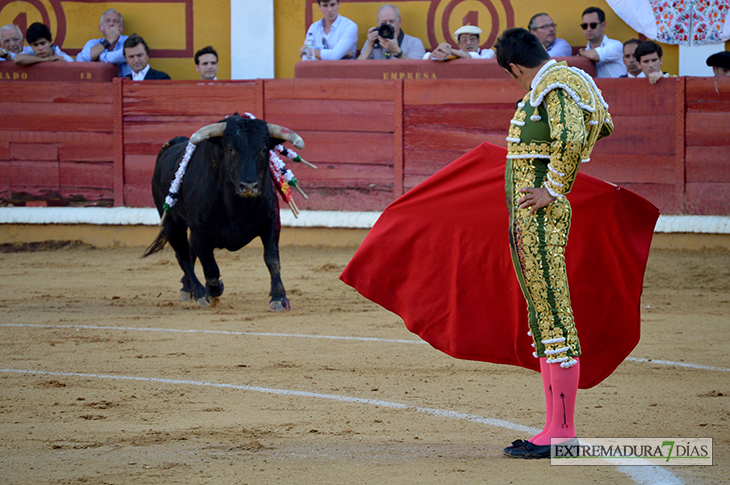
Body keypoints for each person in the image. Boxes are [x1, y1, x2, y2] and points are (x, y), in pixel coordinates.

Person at [495, 27, 612, 458]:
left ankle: (562, 432)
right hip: (531, 221)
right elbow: (596, 125)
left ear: (515, 67)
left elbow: (575, 135)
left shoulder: (556, 82)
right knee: (544, 315)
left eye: (513, 77)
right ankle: (553, 427)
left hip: (542, 216)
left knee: (553, 313)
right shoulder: (557, 82)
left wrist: (553, 187)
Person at [357, 4, 425, 60]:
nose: (388, 25)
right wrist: (370, 46)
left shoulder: (413, 43)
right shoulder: (373, 41)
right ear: (378, 24)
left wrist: (397, 52)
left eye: (391, 21)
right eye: (384, 23)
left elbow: (415, 70)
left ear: (400, 22)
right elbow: (356, 69)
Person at [76, 9, 130, 77]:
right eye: (107, 20)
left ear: (122, 28)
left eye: (116, 21)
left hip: (126, 84)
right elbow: (80, 59)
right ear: (100, 27)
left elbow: (119, 56)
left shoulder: (128, 40)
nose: (111, 24)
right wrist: (108, 41)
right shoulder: (93, 43)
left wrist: (98, 57)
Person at [577, 6, 626, 77]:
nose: (589, 29)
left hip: (619, 87)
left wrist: (582, 52)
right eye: (585, 26)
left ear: (603, 25)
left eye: (593, 25)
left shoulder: (616, 45)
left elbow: (594, 55)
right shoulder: (586, 52)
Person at [424, 25, 494, 60]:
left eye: (472, 39)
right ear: (459, 45)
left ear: (478, 41)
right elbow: (425, 58)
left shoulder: (488, 52)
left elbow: (476, 57)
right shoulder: (455, 54)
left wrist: (449, 50)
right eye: (464, 40)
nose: (469, 43)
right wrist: (438, 50)